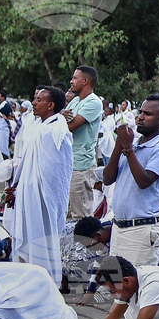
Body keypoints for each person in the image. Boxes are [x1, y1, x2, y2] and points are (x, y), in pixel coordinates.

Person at [100, 96, 159, 267]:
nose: (140, 117)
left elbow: (144, 181)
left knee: (138, 284)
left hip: (141, 230)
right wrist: (119, 145)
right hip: (118, 227)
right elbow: (107, 178)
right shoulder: (133, 143)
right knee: (119, 285)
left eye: (147, 114)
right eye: (141, 112)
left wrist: (127, 149)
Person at [8, 86, 73, 283]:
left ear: (50, 105)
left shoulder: (56, 132)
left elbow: (57, 175)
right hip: (28, 195)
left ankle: (44, 283)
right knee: (26, 237)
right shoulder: (38, 127)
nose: (34, 103)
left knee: (43, 237)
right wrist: (17, 186)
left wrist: (40, 194)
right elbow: (27, 161)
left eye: (38, 100)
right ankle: (25, 281)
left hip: (44, 199)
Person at [63, 66, 102, 218]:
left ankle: (84, 243)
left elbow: (70, 126)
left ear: (85, 81)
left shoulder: (93, 102)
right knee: (65, 214)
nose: (71, 81)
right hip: (69, 163)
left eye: (74, 78)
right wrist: (60, 116)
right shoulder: (75, 101)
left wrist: (60, 118)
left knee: (80, 216)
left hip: (81, 166)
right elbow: (61, 121)